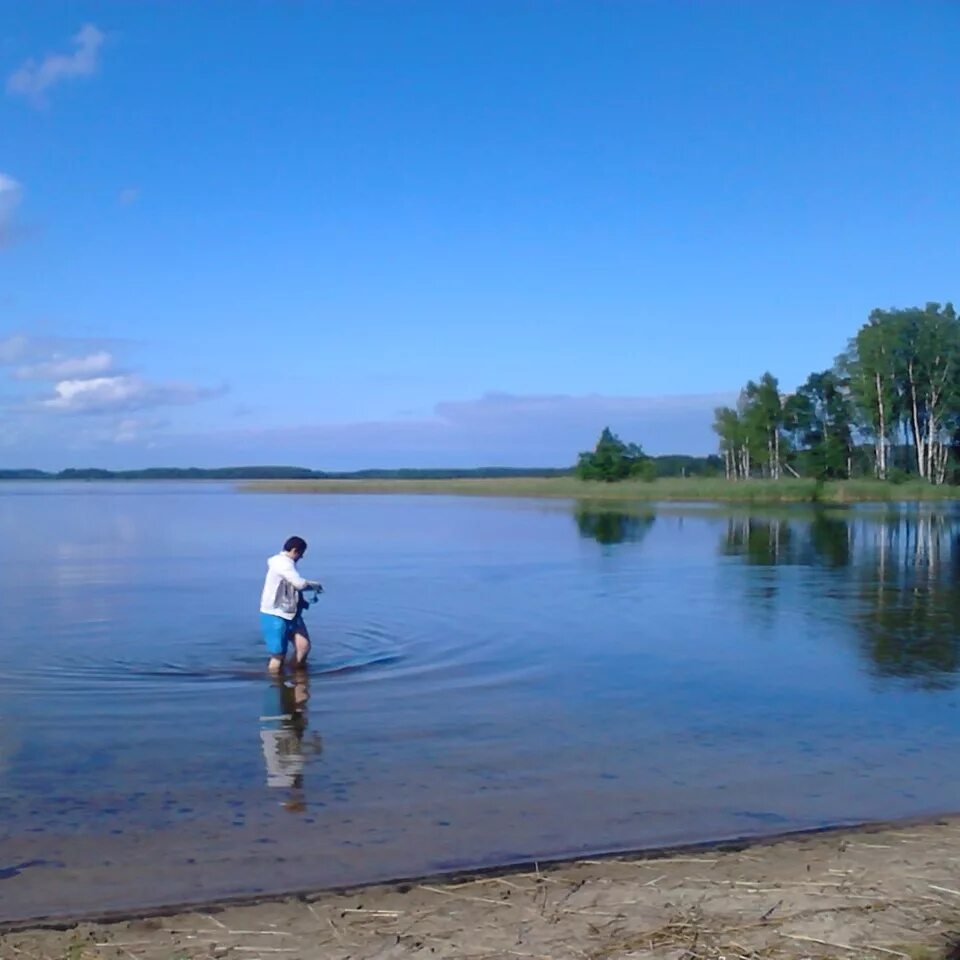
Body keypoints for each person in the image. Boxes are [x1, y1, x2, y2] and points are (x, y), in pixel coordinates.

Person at [259, 536, 322, 674]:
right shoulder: (282, 563)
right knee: (278, 655)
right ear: (294, 550)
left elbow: (289, 585)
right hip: (275, 614)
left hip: (292, 613)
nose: (301, 557)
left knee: (303, 647)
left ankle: (296, 675)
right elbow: (299, 583)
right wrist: (315, 586)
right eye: (301, 553)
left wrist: (301, 601)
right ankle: (276, 683)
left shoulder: (287, 565)